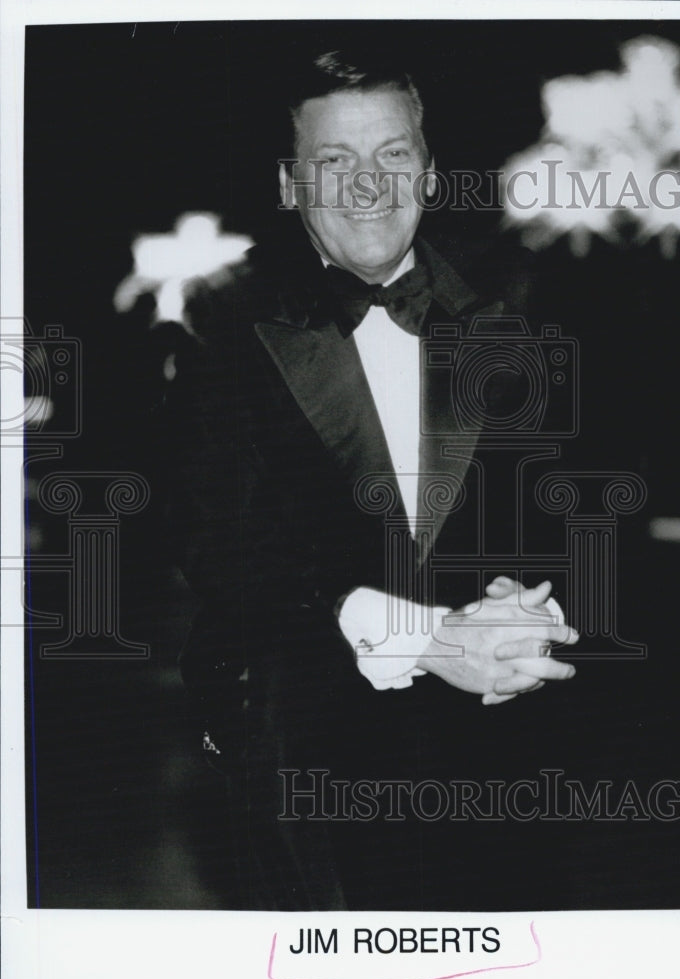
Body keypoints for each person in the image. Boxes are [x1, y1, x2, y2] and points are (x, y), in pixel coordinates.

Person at [166, 51, 579, 910]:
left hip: (503, 771)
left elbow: (584, 510)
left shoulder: (519, 307)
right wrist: (422, 637)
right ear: (289, 186)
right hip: (305, 769)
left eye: (392, 154)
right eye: (334, 161)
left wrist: (527, 604)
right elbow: (225, 562)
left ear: (427, 173)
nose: (366, 185)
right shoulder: (219, 331)